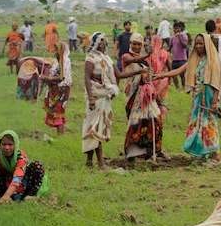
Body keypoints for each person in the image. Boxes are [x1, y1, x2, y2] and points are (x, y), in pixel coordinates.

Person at [155, 34, 221, 163]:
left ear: (207, 45)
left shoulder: (213, 60)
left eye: (201, 44)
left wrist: (215, 101)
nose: (198, 46)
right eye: (196, 44)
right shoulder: (195, 60)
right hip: (198, 97)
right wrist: (160, 75)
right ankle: (202, 154)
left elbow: (217, 82)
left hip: (208, 96)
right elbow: (179, 70)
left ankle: (216, 156)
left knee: (209, 124)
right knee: (198, 124)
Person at [82, 32, 145, 168]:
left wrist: (138, 72)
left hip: (105, 97)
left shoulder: (107, 59)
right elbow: (87, 78)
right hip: (95, 97)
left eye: (105, 40)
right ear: (96, 42)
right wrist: (91, 98)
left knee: (97, 128)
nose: (104, 43)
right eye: (101, 40)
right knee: (94, 128)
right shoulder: (91, 58)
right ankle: (100, 163)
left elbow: (120, 74)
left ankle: (89, 162)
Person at [121, 33, 164, 161]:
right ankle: (132, 153)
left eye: (139, 44)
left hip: (146, 96)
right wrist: (147, 55)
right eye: (134, 43)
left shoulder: (144, 60)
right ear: (130, 44)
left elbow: (149, 77)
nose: (136, 46)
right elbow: (132, 61)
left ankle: (153, 150)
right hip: (134, 96)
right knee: (136, 123)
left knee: (155, 120)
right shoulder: (126, 56)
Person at [0, 130, 46, 202]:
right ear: (0, 144)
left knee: (37, 165)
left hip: (21, 181)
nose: (7, 148)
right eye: (4, 144)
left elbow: (17, 179)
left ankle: (30, 195)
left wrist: (5, 197)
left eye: (10, 144)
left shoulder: (21, 158)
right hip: (3, 180)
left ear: (16, 145)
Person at [43, 42, 72, 134]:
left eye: (57, 49)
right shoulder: (57, 61)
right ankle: (60, 136)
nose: (55, 51)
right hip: (55, 90)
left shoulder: (64, 61)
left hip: (61, 90)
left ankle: (61, 136)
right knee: (55, 112)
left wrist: (47, 78)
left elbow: (61, 78)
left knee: (58, 112)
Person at [206, 19, 221, 100]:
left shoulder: (204, 38)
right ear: (215, 28)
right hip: (220, 66)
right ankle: (218, 104)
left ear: (206, 29)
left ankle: (211, 103)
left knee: (210, 87)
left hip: (208, 66)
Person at [169, 21, 188, 89]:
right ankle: (177, 88)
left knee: (182, 75)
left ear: (180, 29)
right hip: (174, 60)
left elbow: (185, 46)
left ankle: (183, 88)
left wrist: (179, 36)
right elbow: (170, 47)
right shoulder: (172, 37)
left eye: (177, 28)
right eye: (175, 28)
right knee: (173, 75)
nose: (176, 30)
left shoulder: (184, 36)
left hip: (182, 60)